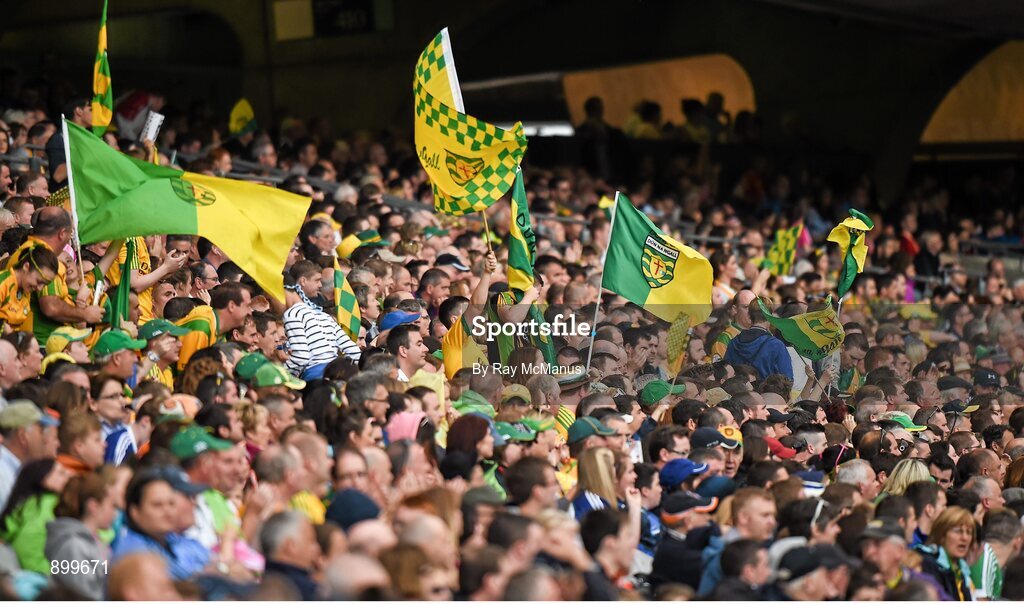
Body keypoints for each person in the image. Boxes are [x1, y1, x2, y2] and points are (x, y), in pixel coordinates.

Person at [44, 472, 117, 600]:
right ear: (93, 506)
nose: (115, 514)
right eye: (112, 505)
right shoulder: (72, 547)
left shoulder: (93, 541)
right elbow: (82, 595)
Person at [0, 401, 60, 510]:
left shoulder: (12, 469)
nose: (44, 439)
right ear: (23, 436)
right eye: (41, 431)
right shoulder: (3, 475)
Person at [914, 506, 977, 601]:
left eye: (969, 532)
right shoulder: (927, 563)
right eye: (958, 531)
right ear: (942, 534)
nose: (965, 538)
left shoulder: (962, 570)